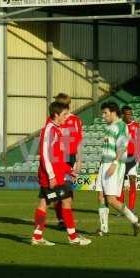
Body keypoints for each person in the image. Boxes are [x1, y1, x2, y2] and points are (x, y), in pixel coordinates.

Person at [31, 101, 91, 246]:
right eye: (64, 114)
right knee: (63, 200)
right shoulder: (50, 129)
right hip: (52, 176)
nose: (67, 117)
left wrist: (68, 170)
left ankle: (38, 236)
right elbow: (45, 154)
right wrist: (51, 176)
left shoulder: (56, 129)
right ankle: (72, 237)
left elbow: (57, 156)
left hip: (58, 174)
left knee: (47, 201)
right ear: (56, 114)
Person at [95, 101, 140, 236]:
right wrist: (101, 164)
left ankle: (135, 220)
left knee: (111, 199)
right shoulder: (109, 127)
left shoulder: (121, 126)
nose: (103, 116)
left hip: (114, 165)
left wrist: (115, 163)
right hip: (104, 164)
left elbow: (122, 147)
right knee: (100, 197)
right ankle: (104, 228)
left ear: (113, 112)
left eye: (105, 113)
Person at [52, 93, 84, 228]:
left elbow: (79, 142)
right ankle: (61, 219)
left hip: (69, 158)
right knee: (58, 190)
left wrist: (79, 161)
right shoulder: (55, 120)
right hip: (58, 158)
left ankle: (64, 218)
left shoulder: (75, 120)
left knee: (67, 190)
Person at [118, 106, 140, 213]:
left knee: (132, 180)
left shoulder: (136, 126)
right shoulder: (119, 126)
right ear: (122, 115)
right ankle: (121, 208)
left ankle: (132, 208)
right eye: (127, 114)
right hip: (122, 157)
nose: (129, 116)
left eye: (130, 114)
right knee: (120, 183)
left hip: (133, 157)